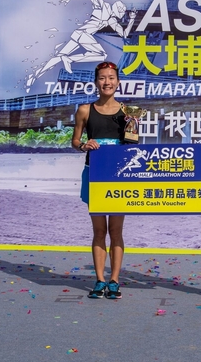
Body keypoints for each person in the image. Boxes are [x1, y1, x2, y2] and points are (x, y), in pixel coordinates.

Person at [72, 61, 127, 299]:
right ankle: (99, 280)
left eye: (111, 78)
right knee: (99, 230)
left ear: (118, 82)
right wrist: (84, 145)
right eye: (103, 78)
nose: (107, 82)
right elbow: (75, 141)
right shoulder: (85, 110)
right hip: (94, 174)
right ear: (96, 82)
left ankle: (114, 280)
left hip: (119, 177)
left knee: (116, 230)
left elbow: (133, 145)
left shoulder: (128, 112)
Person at [24, 0, 136, 93]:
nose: (123, 14)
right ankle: (69, 59)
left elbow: (124, 34)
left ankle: (33, 76)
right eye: (122, 12)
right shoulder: (104, 7)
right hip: (83, 34)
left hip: (79, 34)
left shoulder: (112, 20)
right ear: (117, 9)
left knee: (58, 57)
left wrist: (132, 20)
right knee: (102, 55)